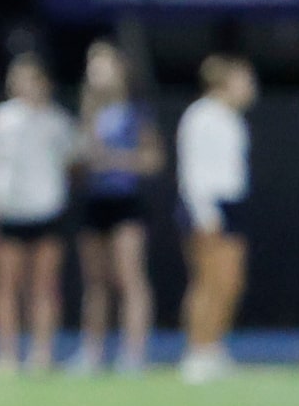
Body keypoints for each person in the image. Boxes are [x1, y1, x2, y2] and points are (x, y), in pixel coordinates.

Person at [0, 53, 76, 376]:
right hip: (9, 210)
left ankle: (42, 353)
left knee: (44, 285)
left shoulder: (58, 122)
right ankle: (6, 354)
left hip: (46, 210)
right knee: (6, 284)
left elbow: (71, 164)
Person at [73, 39, 164, 375]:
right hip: (95, 202)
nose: (98, 73)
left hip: (126, 202)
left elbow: (153, 159)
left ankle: (133, 353)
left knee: (129, 277)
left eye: (105, 65)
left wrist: (113, 159)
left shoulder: (134, 111)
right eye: (93, 66)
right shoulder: (87, 111)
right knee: (95, 282)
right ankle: (91, 352)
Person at [175, 52, 256, 383]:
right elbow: (192, 172)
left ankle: (214, 346)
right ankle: (196, 350)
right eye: (245, 80)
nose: (251, 88)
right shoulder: (201, 117)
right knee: (207, 280)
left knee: (231, 280)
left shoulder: (232, 118)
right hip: (207, 206)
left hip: (231, 203)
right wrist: (204, 213)